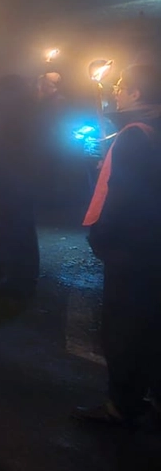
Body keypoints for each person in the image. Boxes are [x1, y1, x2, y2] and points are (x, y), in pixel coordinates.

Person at [74, 64, 161, 429]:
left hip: (133, 247)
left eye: (123, 87)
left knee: (124, 328)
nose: (117, 92)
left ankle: (122, 404)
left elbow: (123, 194)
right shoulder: (147, 131)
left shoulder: (135, 136)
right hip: (152, 243)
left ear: (138, 94)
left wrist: (101, 237)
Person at [0, 75, 40, 298]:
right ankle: (25, 275)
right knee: (23, 228)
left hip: (7, 177)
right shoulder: (32, 110)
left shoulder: (4, 112)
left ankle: (13, 278)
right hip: (25, 177)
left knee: (9, 228)